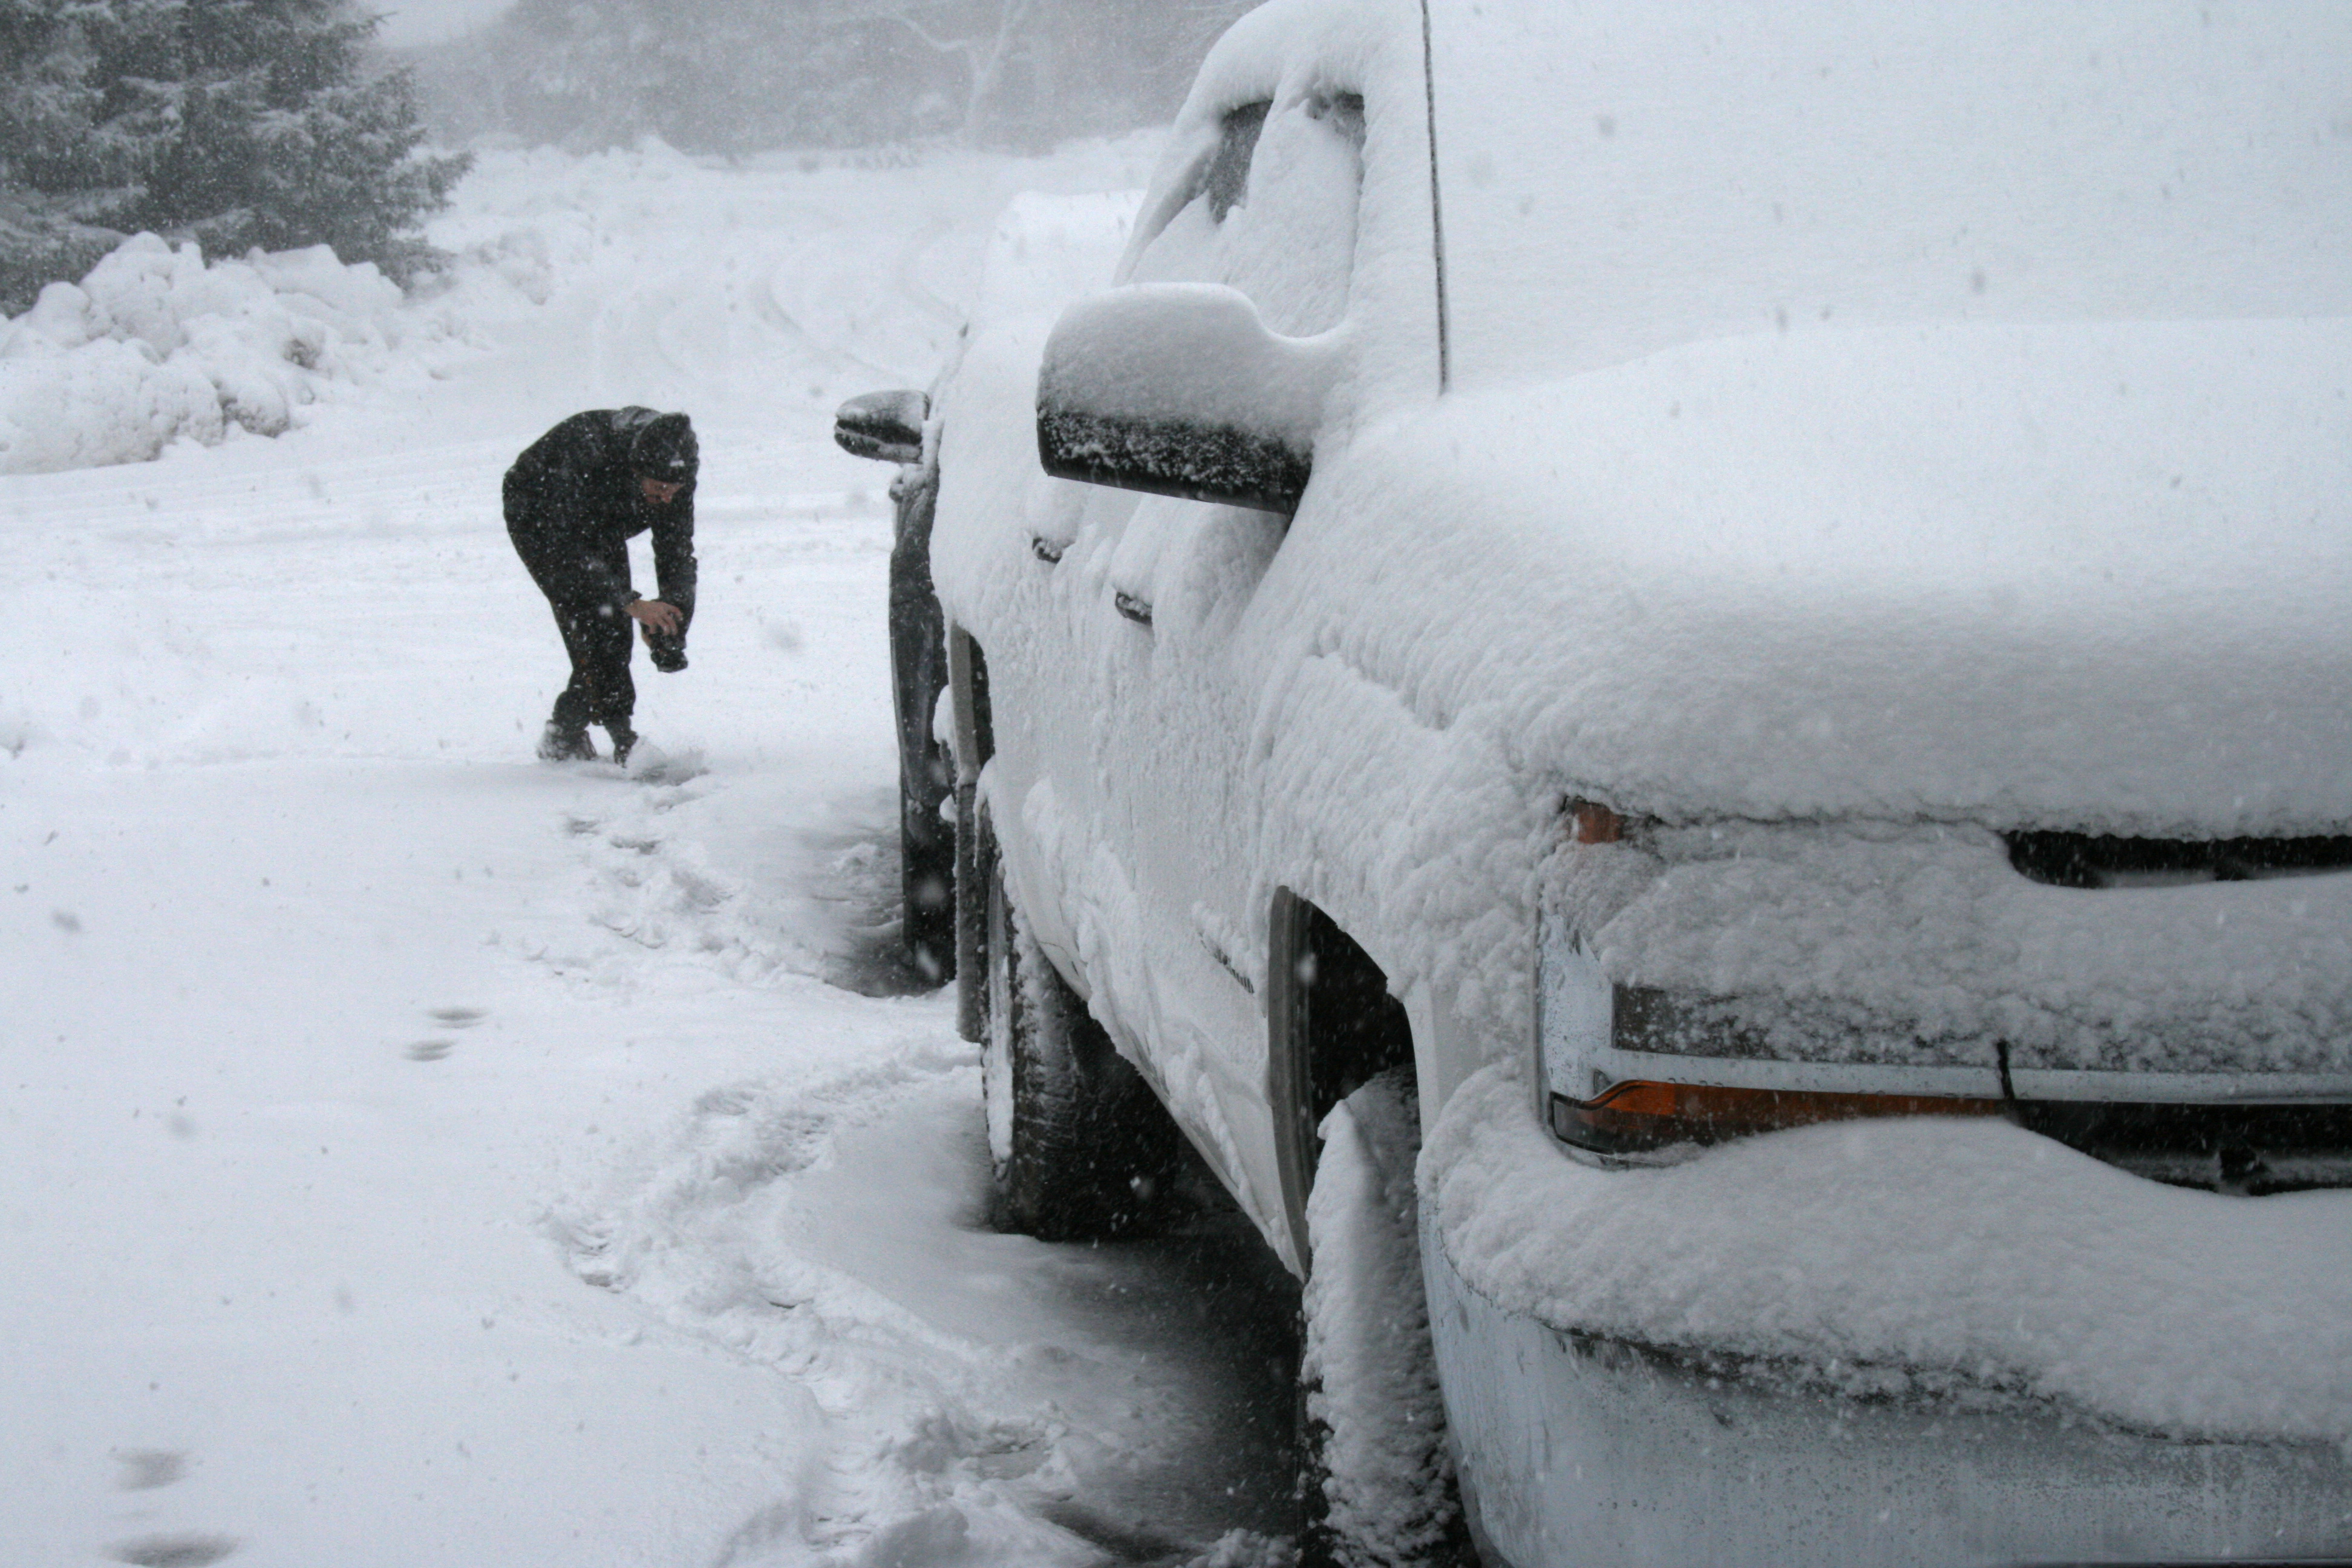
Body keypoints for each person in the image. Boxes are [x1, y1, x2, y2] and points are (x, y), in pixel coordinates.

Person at [503, 407, 698, 764]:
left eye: (676, 490)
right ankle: (619, 735)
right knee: (596, 622)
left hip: (602, 516)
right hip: (541, 516)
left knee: (611, 626)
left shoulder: (676, 467)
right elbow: (569, 551)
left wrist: (673, 617)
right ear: (635, 472)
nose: (668, 498)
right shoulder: (584, 454)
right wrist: (631, 602)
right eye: (659, 490)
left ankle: (566, 732)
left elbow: (677, 552)